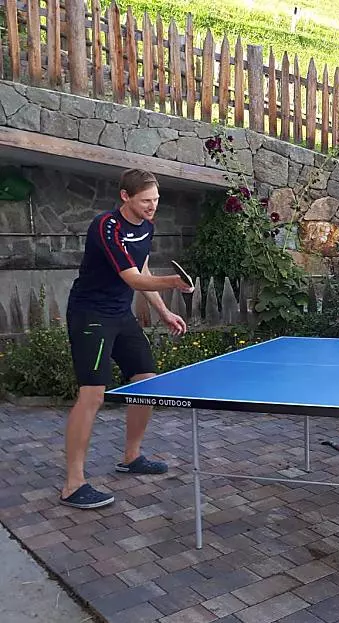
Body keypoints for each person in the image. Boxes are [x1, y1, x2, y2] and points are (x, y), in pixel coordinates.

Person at [61, 169, 193, 509]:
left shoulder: (146, 226)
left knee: (146, 380)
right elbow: (132, 279)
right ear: (125, 196)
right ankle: (73, 484)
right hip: (91, 315)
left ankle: (131, 457)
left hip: (121, 315)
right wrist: (173, 282)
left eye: (156, 200)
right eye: (146, 200)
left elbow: (142, 268)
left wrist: (164, 312)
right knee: (92, 394)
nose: (152, 206)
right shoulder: (107, 226)